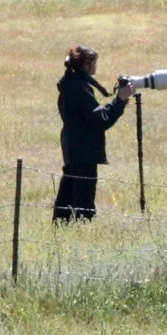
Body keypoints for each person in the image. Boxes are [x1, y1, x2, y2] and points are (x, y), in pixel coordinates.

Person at [54, 46, 131, 221]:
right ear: (87, 64)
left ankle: (61, 229)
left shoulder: (70, 84)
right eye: (94, 63)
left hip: (72, 147)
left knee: (67, 197)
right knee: (83, 203)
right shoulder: (80, 88)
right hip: (83, 150)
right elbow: (101, 120)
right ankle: (80, 232)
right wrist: (119, 101)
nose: (96, 66)